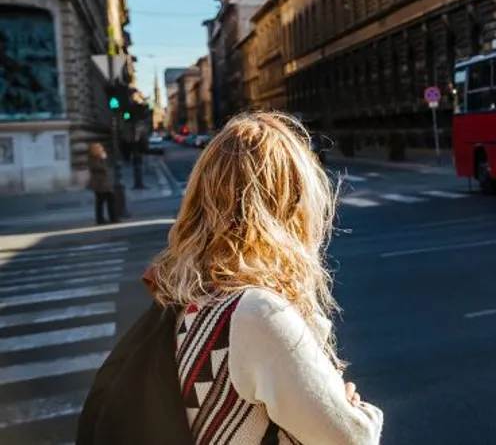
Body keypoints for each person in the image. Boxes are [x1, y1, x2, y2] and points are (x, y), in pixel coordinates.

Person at [81, 112, 384, 445]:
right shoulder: (257, 313)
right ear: (289, 204)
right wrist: (360, 413)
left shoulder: (191, 298)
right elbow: (352, 439)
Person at [88, 143, 117, 225]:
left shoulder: (99, 157)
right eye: (100, 148)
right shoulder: (94, 158)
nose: (102, 150)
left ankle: (112, 217)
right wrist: (103, 159)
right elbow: (100, 168)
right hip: (100, 184)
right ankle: (101, 219)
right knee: (100, 202)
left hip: (105, 183)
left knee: (110, 200)